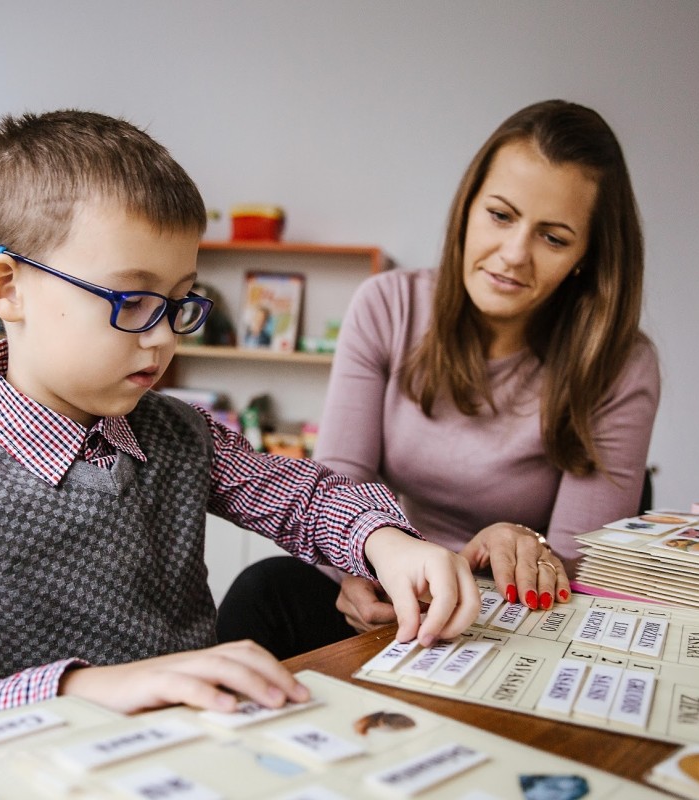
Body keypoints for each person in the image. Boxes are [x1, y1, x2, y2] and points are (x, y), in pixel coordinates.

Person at [0, 110, 481, 754]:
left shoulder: (180, 434)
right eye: (130, 301)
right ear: (7, 287)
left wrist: (383, 540)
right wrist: (83, 689)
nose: (161, 337)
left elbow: (303, 497)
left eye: (179, 301)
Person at [217, 99, 660, 659]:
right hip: (392, 586)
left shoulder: (619, 362)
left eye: (553, 237)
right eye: (500, 216)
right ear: (468, 208)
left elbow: (581, 563)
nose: (514, 255)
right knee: (265, 591)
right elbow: (335, 485)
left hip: (512, 614)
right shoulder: (388, 305)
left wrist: (505, 552)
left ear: (586, 257)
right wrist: (364, 562)